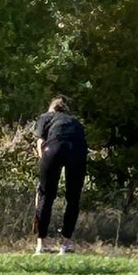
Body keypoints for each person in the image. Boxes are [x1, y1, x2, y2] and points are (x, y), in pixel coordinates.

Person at [33, 96, 88, 255]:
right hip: (77, 151)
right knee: (73, 197)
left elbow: (40, 143)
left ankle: (41, 244)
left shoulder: (46, 117)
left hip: (54, 149)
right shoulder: (75, 122)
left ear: (52, 108)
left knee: (46, 195)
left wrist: (43, 165)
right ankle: (65, 244)